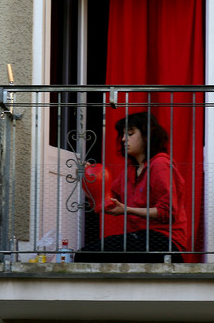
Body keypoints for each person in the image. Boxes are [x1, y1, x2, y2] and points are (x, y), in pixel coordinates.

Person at [75, 112, 190, 263]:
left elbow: (167, 212)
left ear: (147, 136)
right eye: (123, 134)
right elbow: (108, 202)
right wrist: (89, 179)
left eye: (130, 134)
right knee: (85, 254)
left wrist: (126, 209)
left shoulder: (160, 165)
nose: (123, 139)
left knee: (87, 255)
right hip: (140, 239)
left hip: (165, 241)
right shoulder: (130, 170)